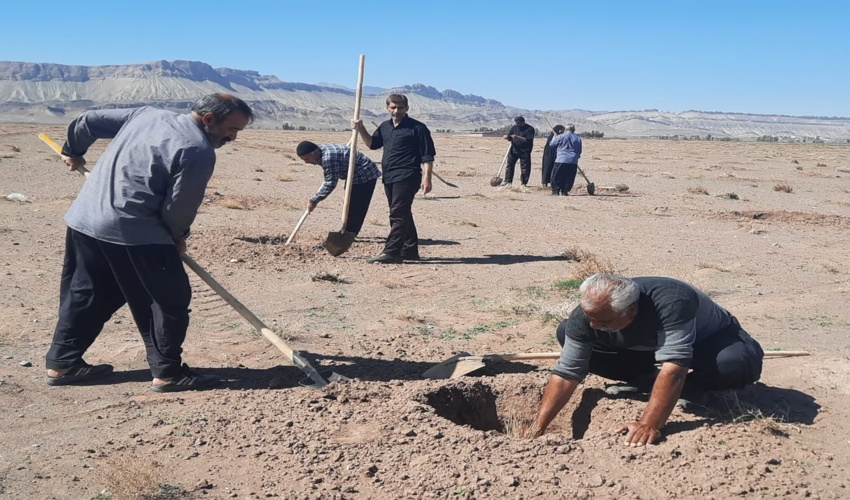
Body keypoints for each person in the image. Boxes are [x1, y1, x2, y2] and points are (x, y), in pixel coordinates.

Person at [45, 93, 254, 392]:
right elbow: (179, 208)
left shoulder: (146, 114)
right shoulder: (197, 149)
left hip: (85, 220)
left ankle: (62, 364)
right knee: (166, 302)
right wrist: (178, 236)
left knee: (88, 292)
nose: (233, 136)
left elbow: (87, 121)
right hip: (136, 234)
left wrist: (74, 150)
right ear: (209, 119)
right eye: (232, 129)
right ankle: (168, 373)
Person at [530, 273, 764, 446]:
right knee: (567, 332)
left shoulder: (672, 301)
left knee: (734, 362)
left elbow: (675, 366)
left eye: (603, 322)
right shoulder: (589, 315)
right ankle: (645, 380)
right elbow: (566, 374)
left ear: (631, 311)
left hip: (710, 341)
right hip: (646, 345)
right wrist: (537, 428)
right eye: (590, 318)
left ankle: (696, 389)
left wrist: (649, 423)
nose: (593, 325)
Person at [352, 94, 436, 264]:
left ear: (407, 108)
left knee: (397, 213)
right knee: (403, 212)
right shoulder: (385, 127)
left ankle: (392, 251)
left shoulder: (418, 128)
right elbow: (372, 144)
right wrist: (360, 128)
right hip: (389, 175)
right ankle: (410, 249)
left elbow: (427, 156)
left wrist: (427, 178)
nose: (396, 110)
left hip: (408, 176)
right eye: (393, 107)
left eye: (400, 107)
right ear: (387, 108)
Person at [296, 141, 380, 235]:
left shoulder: (328, 158)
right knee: (350, 203)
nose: (306, 162)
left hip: (364, 173)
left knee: (356, 205)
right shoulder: (319, 150)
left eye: (307, 159)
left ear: (314, 153)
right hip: (353, 173)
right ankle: (348, 231)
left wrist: (314, 200)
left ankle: (349, 234)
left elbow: (330, 183)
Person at [548, 124, 582, 196]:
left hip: (561, 159)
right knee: (569, 177)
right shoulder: (578, 138)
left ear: (565, 130)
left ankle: (555, 191)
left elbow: (552, 145)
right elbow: (579, 150)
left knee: (556, 176)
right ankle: (565, 191)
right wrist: (576, 157)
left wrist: (554, 137)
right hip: (573, 161)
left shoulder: (560, 137)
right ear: (574, 130)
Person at [502, 116, 535, 186]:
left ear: (523, 122)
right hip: (514, 149)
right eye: (516, 123)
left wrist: (517, 137)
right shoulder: (514, 127)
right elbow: (510, 137)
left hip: (525, 151)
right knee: (509, 166)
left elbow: (528, 139)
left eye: (519, 123)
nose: (517, 124)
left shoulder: (530, 129)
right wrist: (507, 137)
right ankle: (508, 181)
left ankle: (523, 183)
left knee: (525, 168)